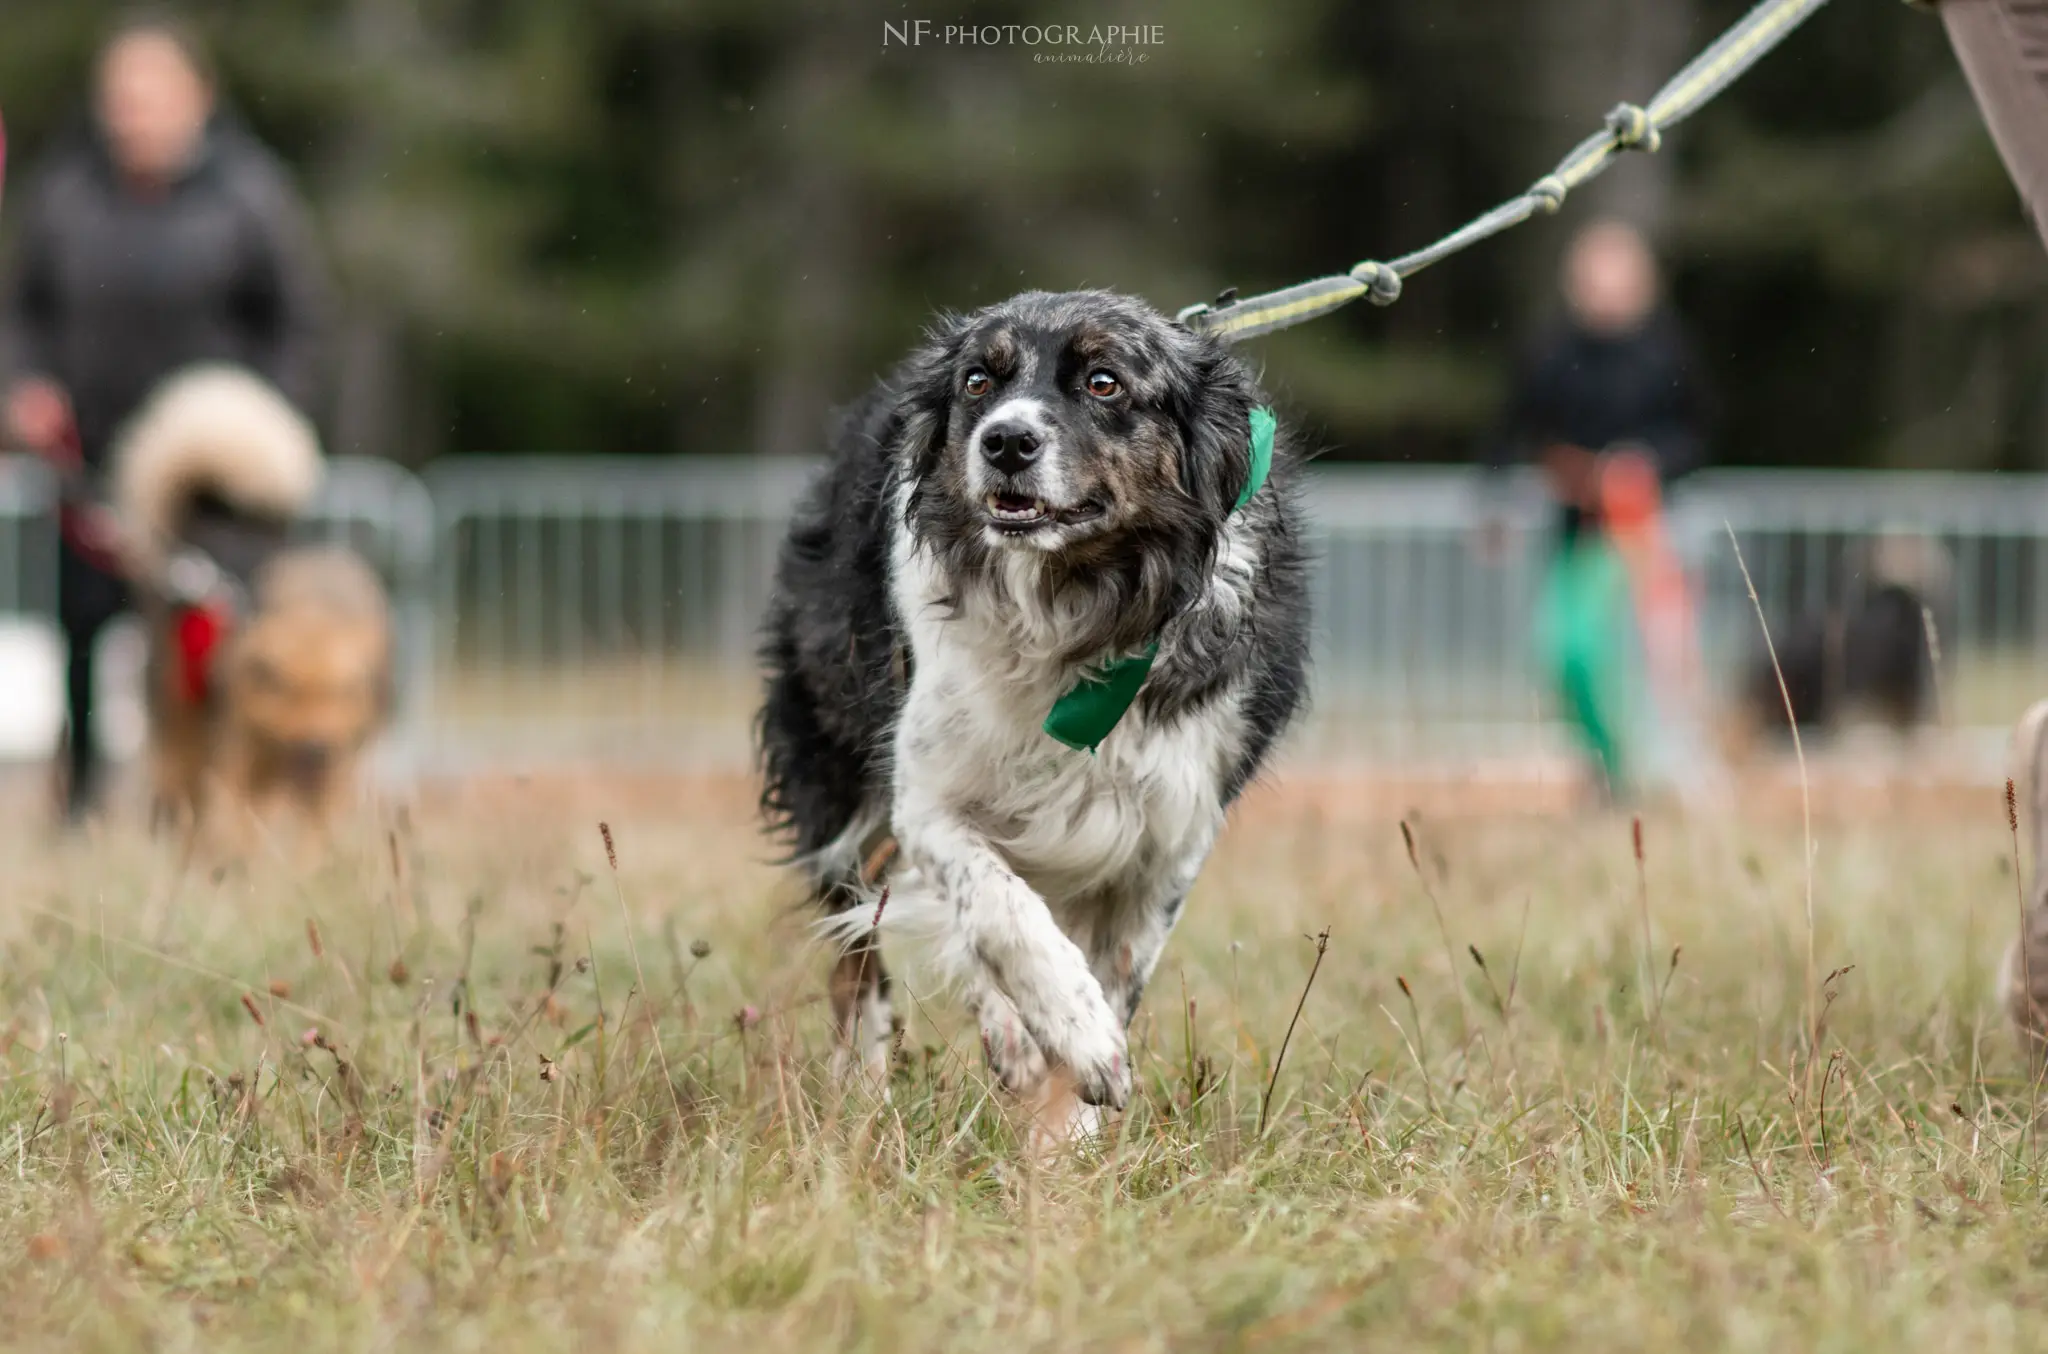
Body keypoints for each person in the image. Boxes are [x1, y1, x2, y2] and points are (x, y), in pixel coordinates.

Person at [0, 13, 329, 823]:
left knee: (204, 649)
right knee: (83, 633)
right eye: (121, 94)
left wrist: (264, 427)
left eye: (151, 93)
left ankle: (201, 806)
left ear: (199, 98)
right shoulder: (64, 194)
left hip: (209, 483)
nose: (133, 110)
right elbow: (21, 313)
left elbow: (298, 323)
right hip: (93, 462)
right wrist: (24, 385)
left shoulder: (252, 197)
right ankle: (78, 804)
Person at [1483, 218, 1709, 800]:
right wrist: (1495, 501)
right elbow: (1511, 432)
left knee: (1660, 660)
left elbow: (1697, 437)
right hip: (1578, 531)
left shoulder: (1667, 351)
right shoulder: (1550, 351)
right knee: (1569, 650)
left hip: (1648, 531)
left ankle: (1670, 769)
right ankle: (1611, 768)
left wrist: (1644, 464)